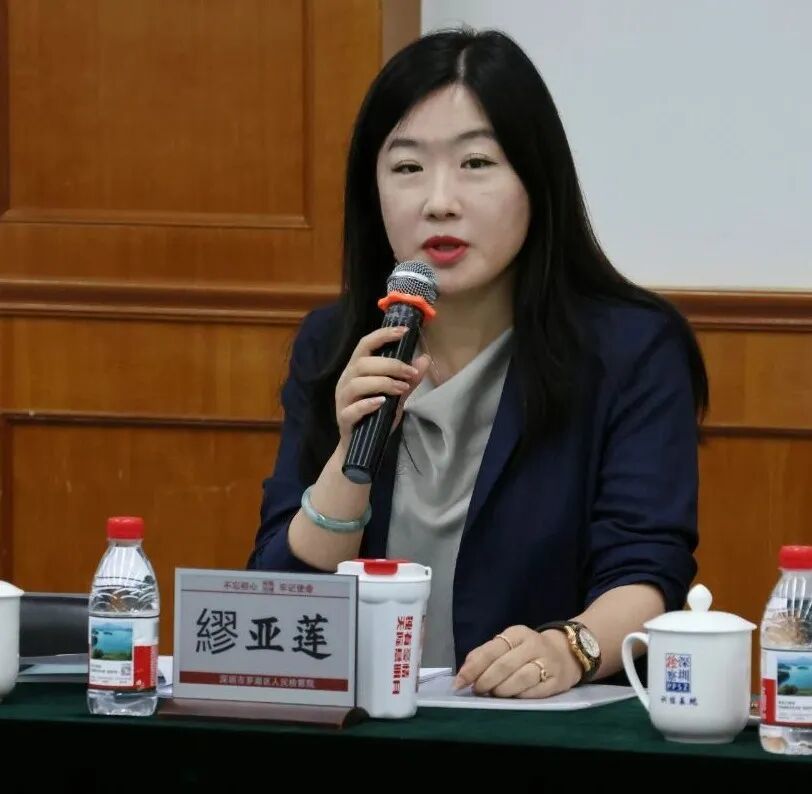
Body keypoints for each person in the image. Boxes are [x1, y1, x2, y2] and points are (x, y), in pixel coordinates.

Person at [247, 27, 708, 700]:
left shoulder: (630, 351)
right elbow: (279, 603)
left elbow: (647, 569)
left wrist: (568, 648)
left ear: (535, 180)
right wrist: (349, 458)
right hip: (359, 727)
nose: (440, 201)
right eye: (407, 168)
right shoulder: (336, 344)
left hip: (539, 726)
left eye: (476, 163)